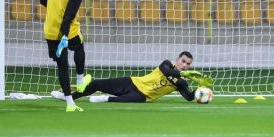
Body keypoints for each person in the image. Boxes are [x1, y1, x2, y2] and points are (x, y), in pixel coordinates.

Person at [51, 51, 212, 103]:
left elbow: (189, 97)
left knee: (122, 100)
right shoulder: (167, 64)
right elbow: (168, 72)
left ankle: (105, 99)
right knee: (96, 84)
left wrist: (201, 90)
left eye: (188, 64)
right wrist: (184, 73)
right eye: (183, 61)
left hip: (143, 96)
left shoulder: (182, 82)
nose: (185, 65)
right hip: (133, 82)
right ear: (178, 59)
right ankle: (69, 97)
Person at [40, 0, 91, 112]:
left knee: (62, 66)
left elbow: (43, 0)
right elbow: (68, 16)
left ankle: (70, 103)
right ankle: (80, 80)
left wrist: (56, 8)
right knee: (79, 47)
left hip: (50, 31)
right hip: (68, 32)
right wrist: (65, 35)